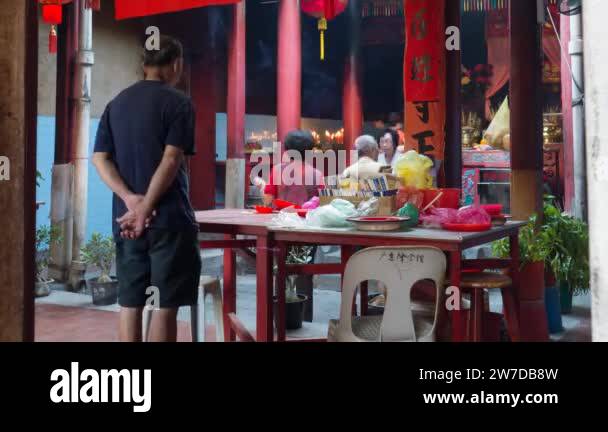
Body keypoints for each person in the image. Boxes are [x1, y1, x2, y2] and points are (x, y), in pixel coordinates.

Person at [92, 35, 201, 342]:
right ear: (176, 64)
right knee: (164, 305)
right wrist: (147, 207)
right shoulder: (179, 103)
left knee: (130, 303)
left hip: (127, 222)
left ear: (143, 64)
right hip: (168, 221)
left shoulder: (116, 104)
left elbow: (99, 159)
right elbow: (170, 159)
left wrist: (131, 202)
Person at [263, 130, 324, 206]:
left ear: (287, 151)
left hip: (281, 217)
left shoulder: (277, 170)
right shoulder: (318, 174)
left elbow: (267, 201)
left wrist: (262, 187)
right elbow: (323, 202)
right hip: (307, 217)